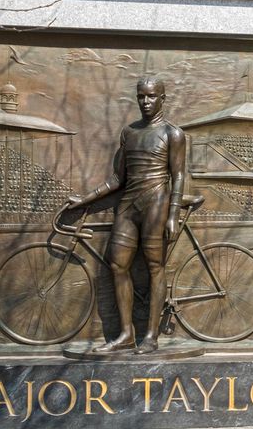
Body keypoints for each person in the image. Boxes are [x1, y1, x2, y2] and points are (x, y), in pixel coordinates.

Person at [68, 78, 185, 354]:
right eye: (141, 96)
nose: (145, 101)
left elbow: (178, 176)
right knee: (117, 264)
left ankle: (151, 336)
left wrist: (173, 215)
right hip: (129, 205)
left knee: (155, 267)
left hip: (156, 203)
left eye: (151, 97)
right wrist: (85, 199)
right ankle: (126, 334)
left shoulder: (173, 134)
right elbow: (118, 178)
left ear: (162, 98)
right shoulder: (129, 132)